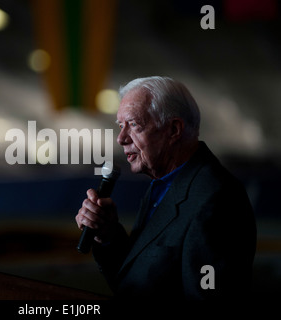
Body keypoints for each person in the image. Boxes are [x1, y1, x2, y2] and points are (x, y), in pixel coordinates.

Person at [76, 76, 256, 300]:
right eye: (120, 126)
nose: (121, 138)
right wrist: (108, 236)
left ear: (173, 130)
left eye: (133, 124)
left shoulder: (216, 201)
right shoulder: (163, 185)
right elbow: (137, 280)